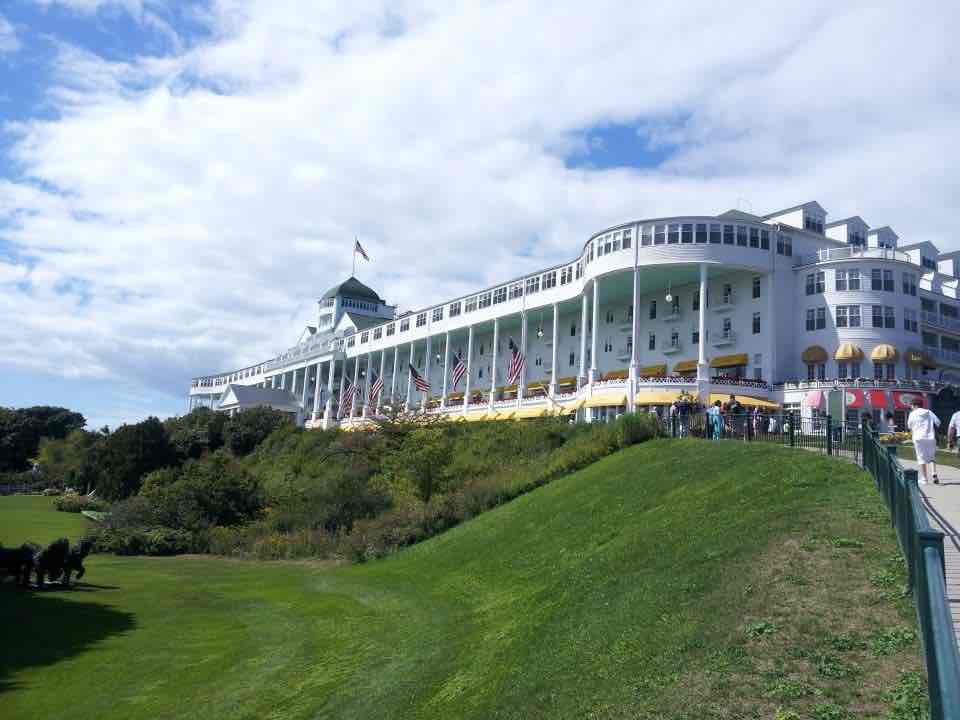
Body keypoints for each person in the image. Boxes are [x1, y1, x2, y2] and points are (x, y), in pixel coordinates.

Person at [907, 398, 940, 484]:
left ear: (915, 405)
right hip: (930, 437)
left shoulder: (912, 414)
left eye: (911, 406)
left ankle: (924, 479)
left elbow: (909, 426)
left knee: (921, 458)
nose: (911, 407)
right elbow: (938, 422)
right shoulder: (929, 412)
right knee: (932, 457)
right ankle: (934, 473)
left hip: (918, 438)